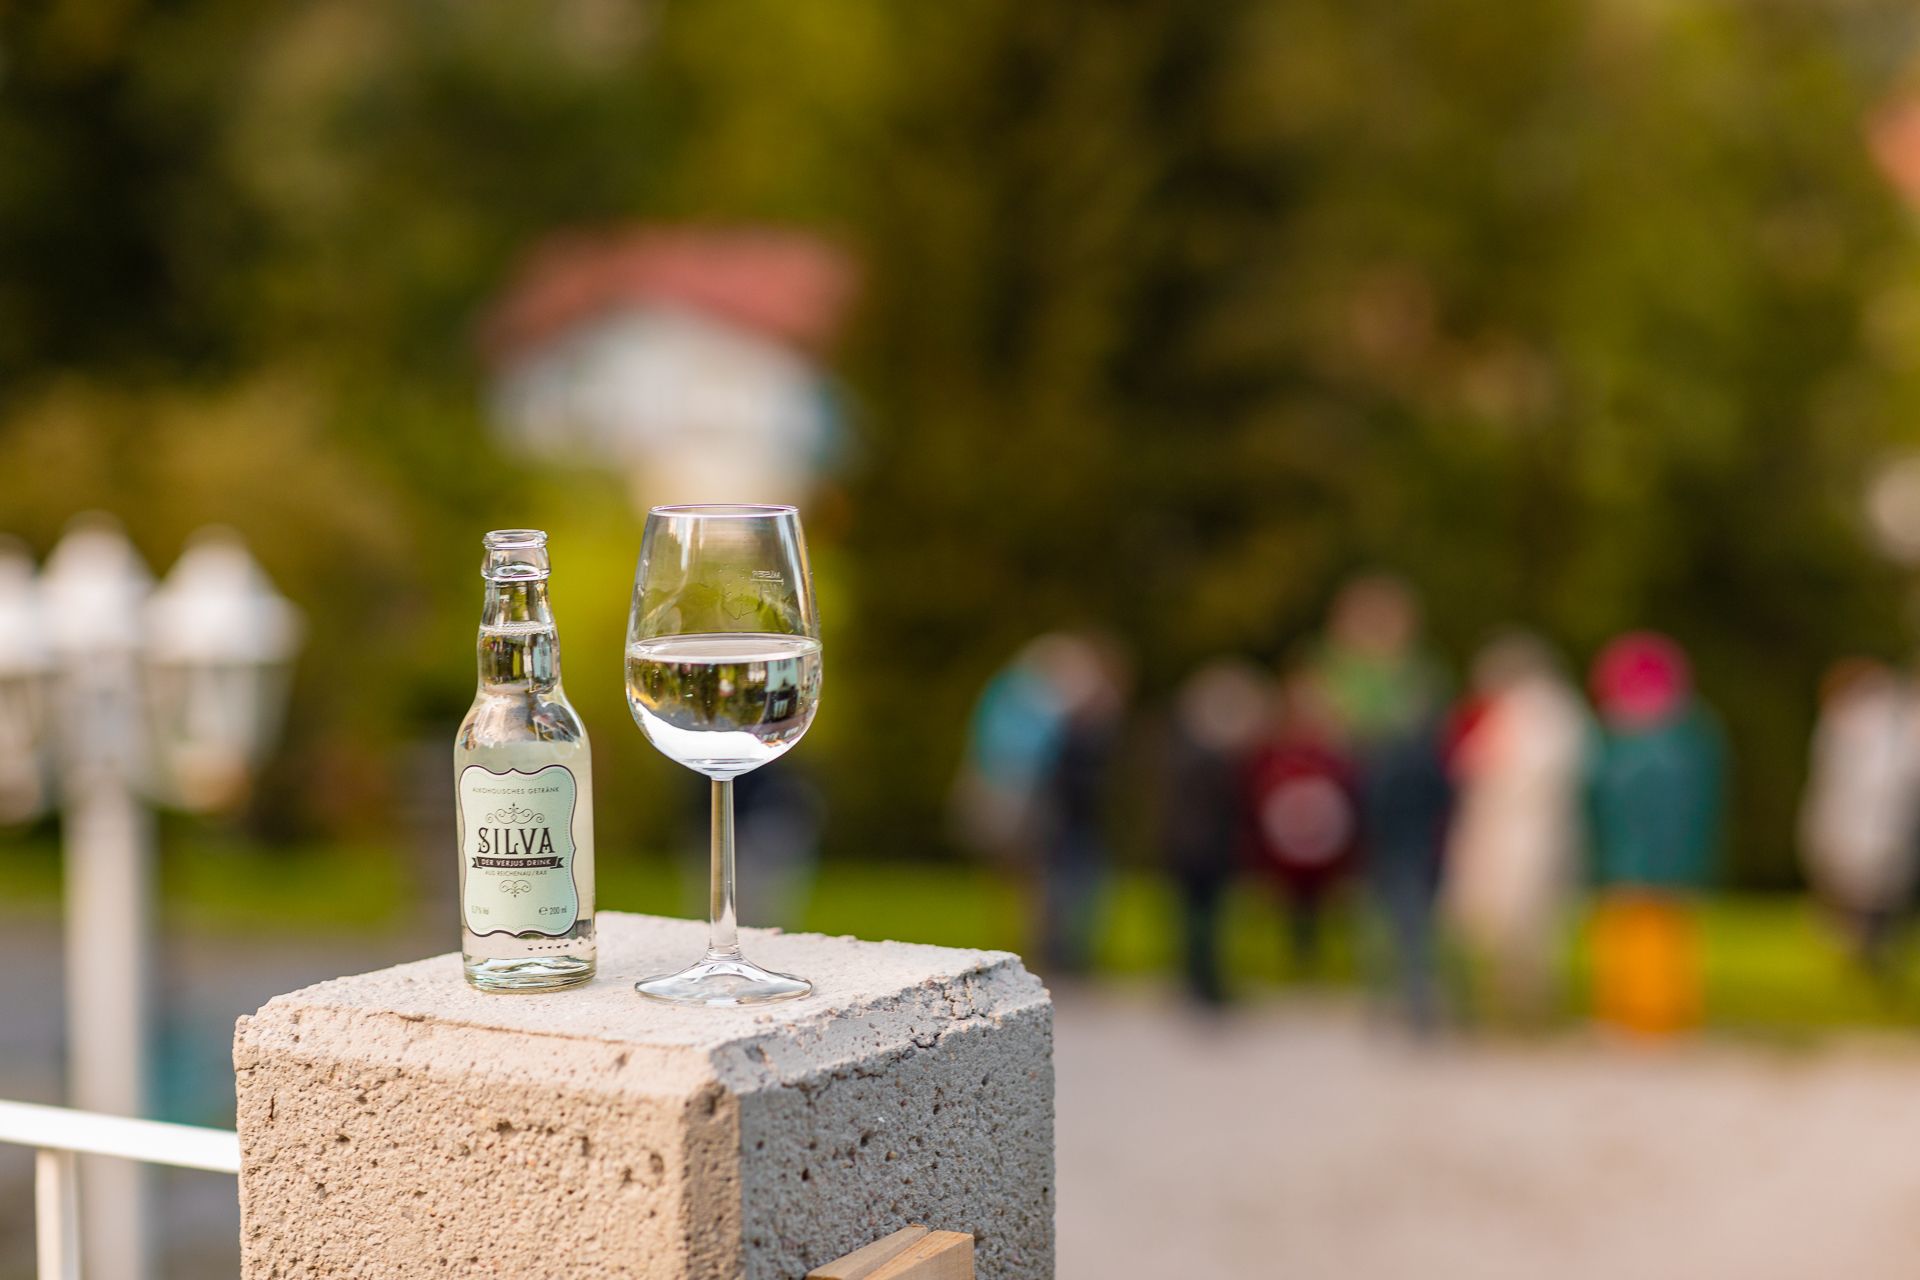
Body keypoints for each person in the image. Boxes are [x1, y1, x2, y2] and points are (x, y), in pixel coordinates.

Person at [1311, 574, 1452, 1033]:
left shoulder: (1412, 675)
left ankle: (1411, 993)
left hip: (1401, 799)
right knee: (1379, 902)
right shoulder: (1344, 673)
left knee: (1407, 900)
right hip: (1365, 801)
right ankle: (1391, 994)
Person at [1442, 632, 1588, 1024]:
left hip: (1520, 830)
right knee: (1516, 920)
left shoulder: (1530, 714)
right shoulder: (1556, 713)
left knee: (1520, 918)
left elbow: (1477, 766)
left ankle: (1519, 1000)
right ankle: (1513, 998)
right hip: (1522, 829)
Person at [1586, 631, 1725, 1037]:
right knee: (1650, 935)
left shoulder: (1647, 748)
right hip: (1656, 860)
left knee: (1649, 934)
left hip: (1645, 861)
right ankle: (1648, 1009)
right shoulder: (1691, 738)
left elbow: (1636, 809)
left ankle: (1649, 1013)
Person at [1798, 658, 1920, 982]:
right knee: (1864, 889)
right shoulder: (1865, 721)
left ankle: (1869, 952)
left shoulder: (1874, 721)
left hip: (1876, 824)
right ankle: (1867, 951)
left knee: (1872, 892)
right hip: (1866, 823)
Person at [1161, 660, 1272, 1005]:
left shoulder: (1186, 751)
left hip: (1190, 848)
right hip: (1204, 851)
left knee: (1199, 921)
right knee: (1203, 922)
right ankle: (1203, 985)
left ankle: (1200, 983)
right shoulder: (1213, 761)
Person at [1245, 666, 1359, 975]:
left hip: (1323, 837)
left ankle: (1312, 955)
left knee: (1319, 900)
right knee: (1287, 899)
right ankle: (1295, 954)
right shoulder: (1276, 746)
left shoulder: (1333, 749)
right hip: (1286, 837)